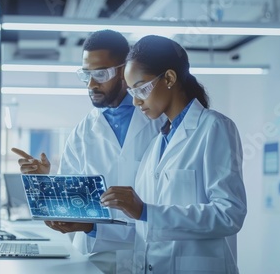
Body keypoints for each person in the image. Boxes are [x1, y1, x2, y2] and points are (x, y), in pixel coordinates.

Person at [11, 29, 166, 273]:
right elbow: (73, 204)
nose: (92, 84)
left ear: (125, 71)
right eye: (86, 75)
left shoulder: (158, 123)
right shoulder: (82, 132)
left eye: (101, 74)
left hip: (151, 253)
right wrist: (46, 180)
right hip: (96, 255)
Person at [99, 35, 248, 273]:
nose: (136, 101)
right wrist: (88, 227)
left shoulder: (213, 127)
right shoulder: (157, 143)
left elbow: (229, 213)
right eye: (131, 91)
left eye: (141, 88)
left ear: (169, 77)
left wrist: (147, 211)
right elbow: (144, 228)